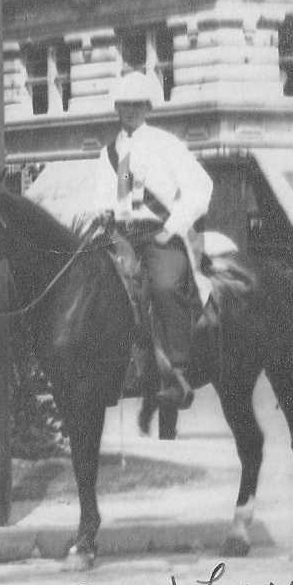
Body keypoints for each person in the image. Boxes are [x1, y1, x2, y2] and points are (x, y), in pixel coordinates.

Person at [95, 68, 212, 406]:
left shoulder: (166, 144)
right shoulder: (109, 154)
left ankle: (178, 368)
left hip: (161, 233)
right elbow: (103, 197)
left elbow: (201, 188)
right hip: (121, 235)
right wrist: (103, 217)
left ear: (148, 106)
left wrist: (171, 228)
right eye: (124, 104)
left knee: (163, 287)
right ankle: (114, 368)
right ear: (116, 108)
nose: (129, 110)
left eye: (136, 104)